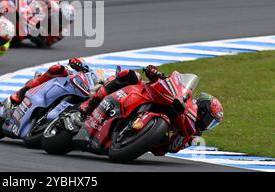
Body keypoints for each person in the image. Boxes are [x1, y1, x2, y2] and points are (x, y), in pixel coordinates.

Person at [75, 64, 224, 155]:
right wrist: (155, 73)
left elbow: (171, 149)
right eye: (209, 119)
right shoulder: (188, 104)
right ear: (202, 110)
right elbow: (169, 84)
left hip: (136, 140)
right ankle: (86, 108)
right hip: (139, 93)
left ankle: (121, 134)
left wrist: (164, 137)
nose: (207, 124)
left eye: (212, 123)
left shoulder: (190, 135)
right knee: (130, 75)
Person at [10, 57, 90, 104]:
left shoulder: (89, 78)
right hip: (61, 83)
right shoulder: (72, 71)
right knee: (57, 69)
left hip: (77, 93)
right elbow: (79, 63)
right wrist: (77, 63)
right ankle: (20, 93)